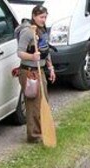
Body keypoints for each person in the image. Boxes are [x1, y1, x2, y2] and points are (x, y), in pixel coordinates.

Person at [16, 5, 56, 144]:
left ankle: (42, 130)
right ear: (34, 16)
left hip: (40, 71)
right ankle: (34, 136)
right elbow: (20, 53)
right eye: (41, 17)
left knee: (43, 100)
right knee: (33, 104)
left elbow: (46, 50)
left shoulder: (43, 30)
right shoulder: (27, 32)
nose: (43, 20)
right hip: (29, 72)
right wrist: (32, 57)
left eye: (45, 17)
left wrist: (50, 67)